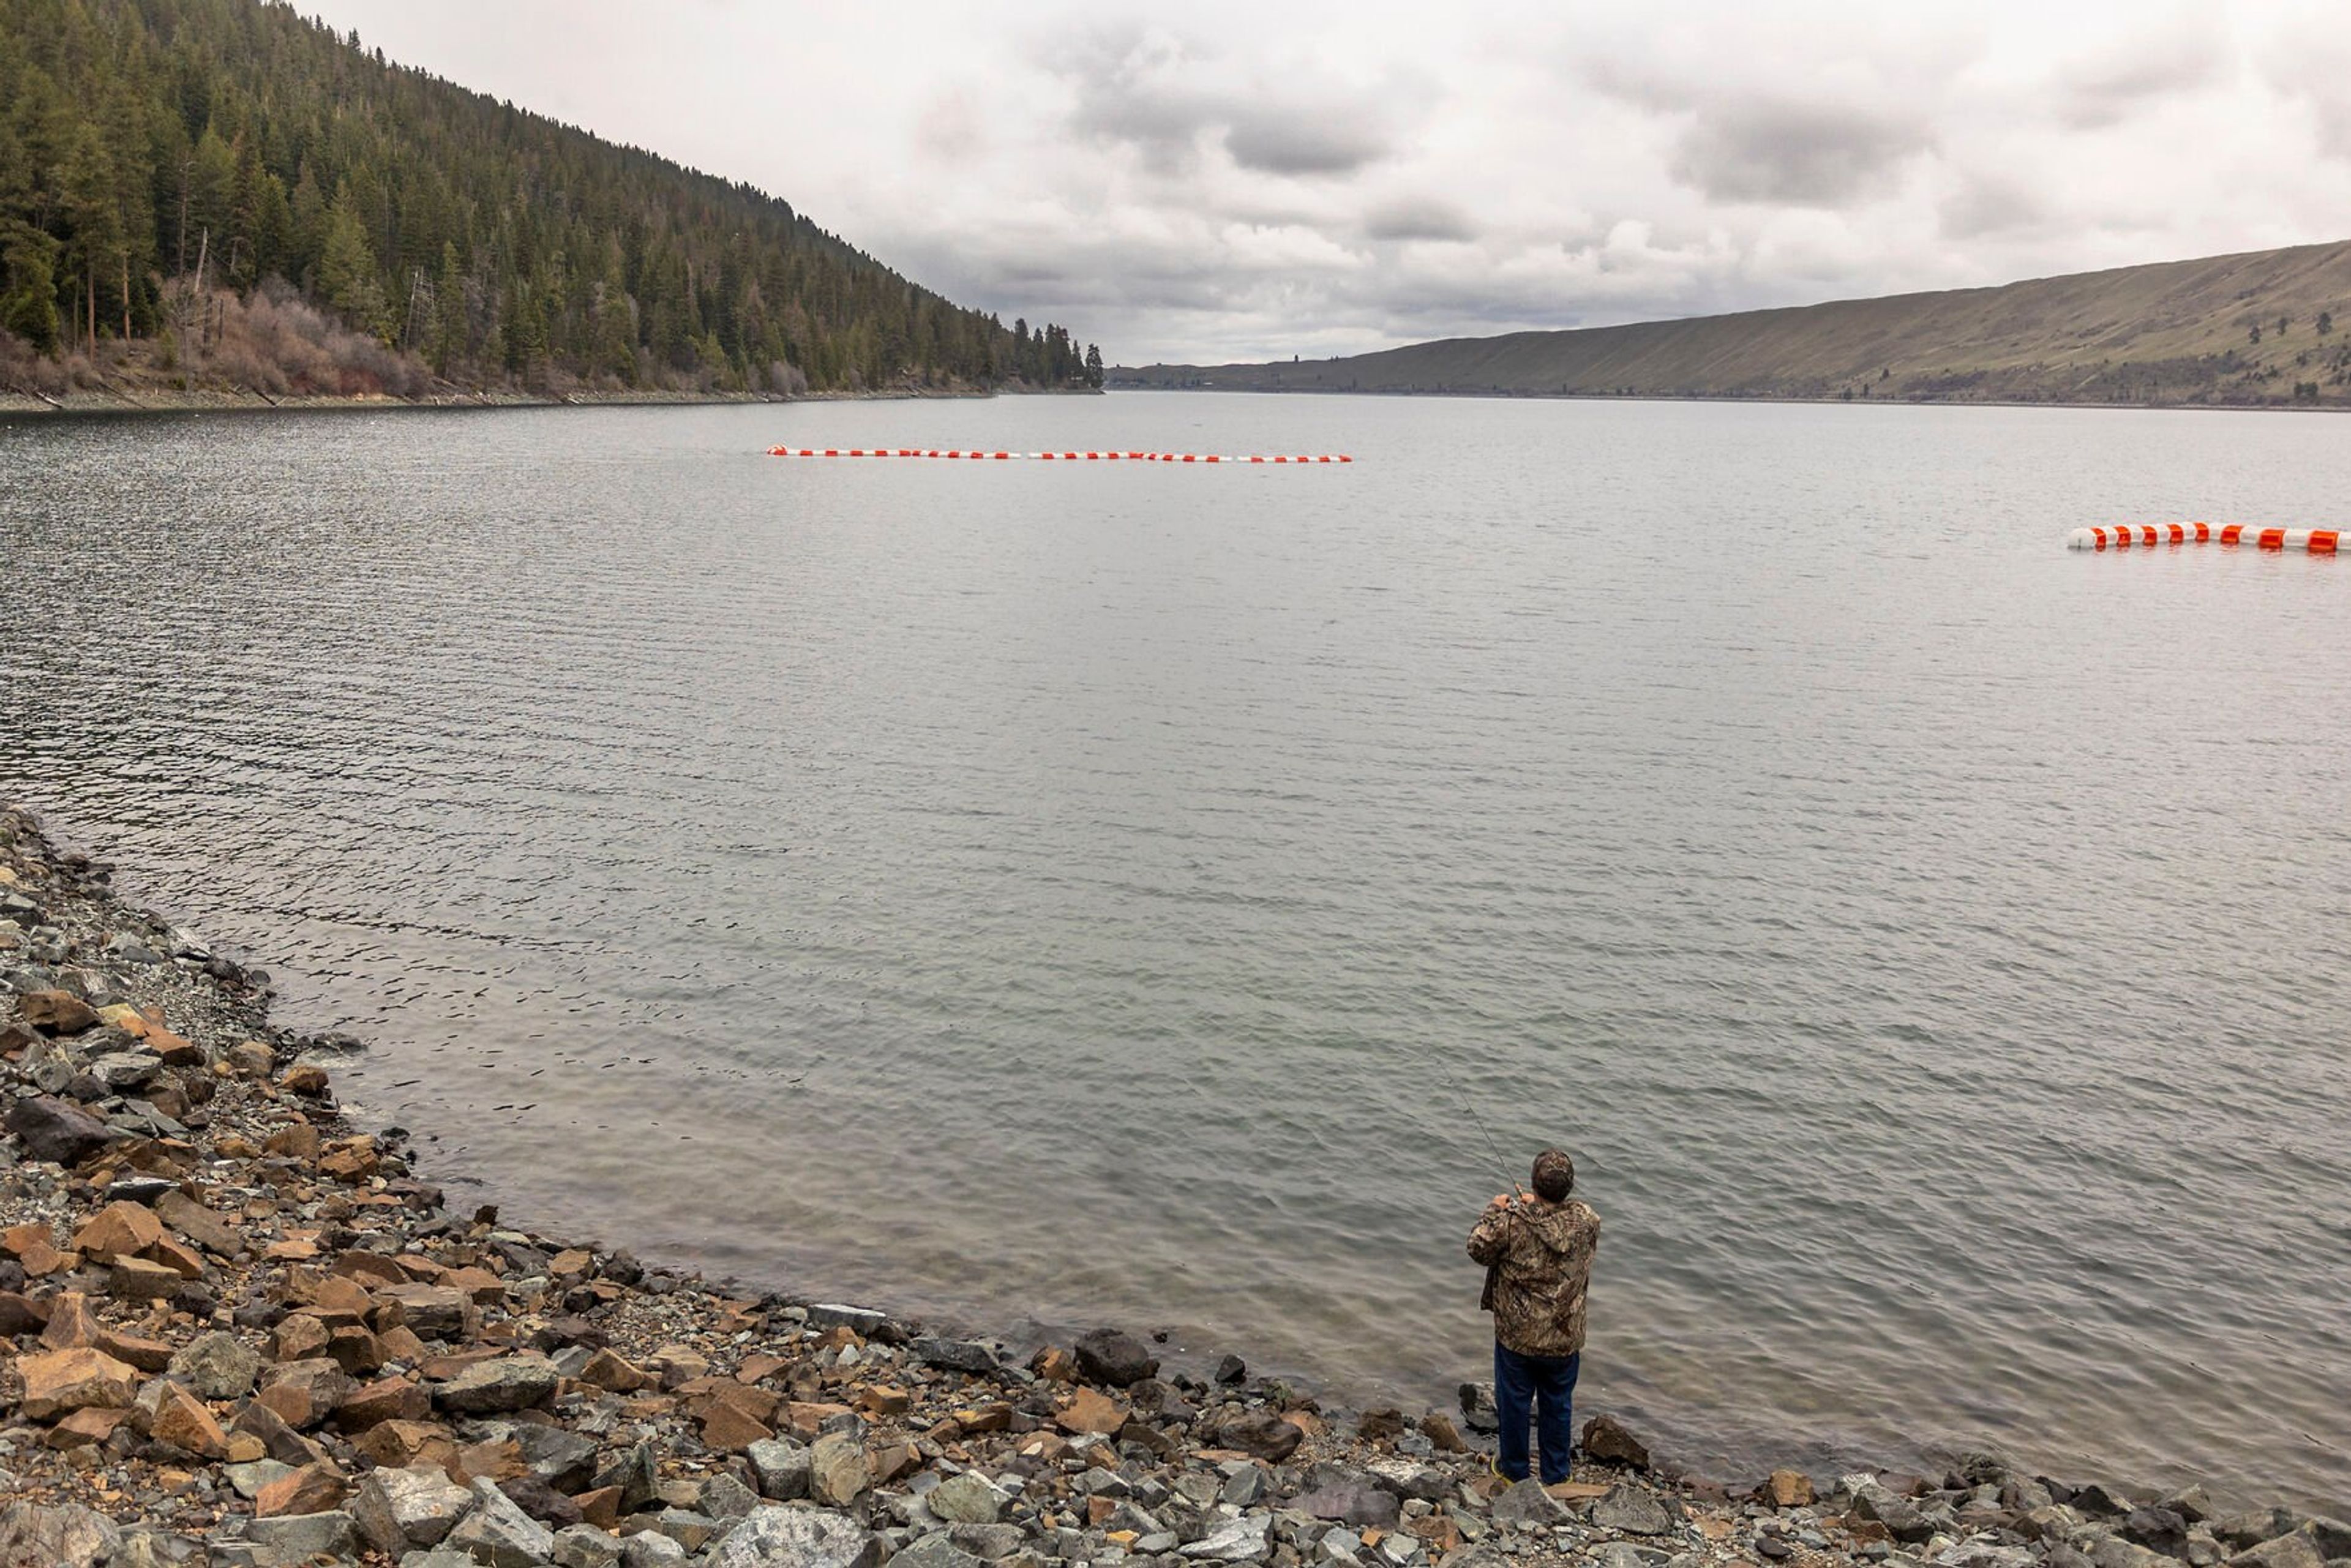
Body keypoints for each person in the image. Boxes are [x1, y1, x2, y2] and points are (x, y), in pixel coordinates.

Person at [1466, 1147, 1600, 1485]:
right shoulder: (1586, 1222)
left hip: (1518, 1336)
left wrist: (1494, 1210)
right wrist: (1537, 1209)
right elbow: (1557, 1228)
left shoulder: (1510, 1224)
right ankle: (1557, 1476)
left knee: (1514, 1403)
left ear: (1534, 1185)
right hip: (1564, 1335)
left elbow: (1477, 1248)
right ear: (1568, 1188)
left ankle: (1514, 1472)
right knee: (1558, 1404)